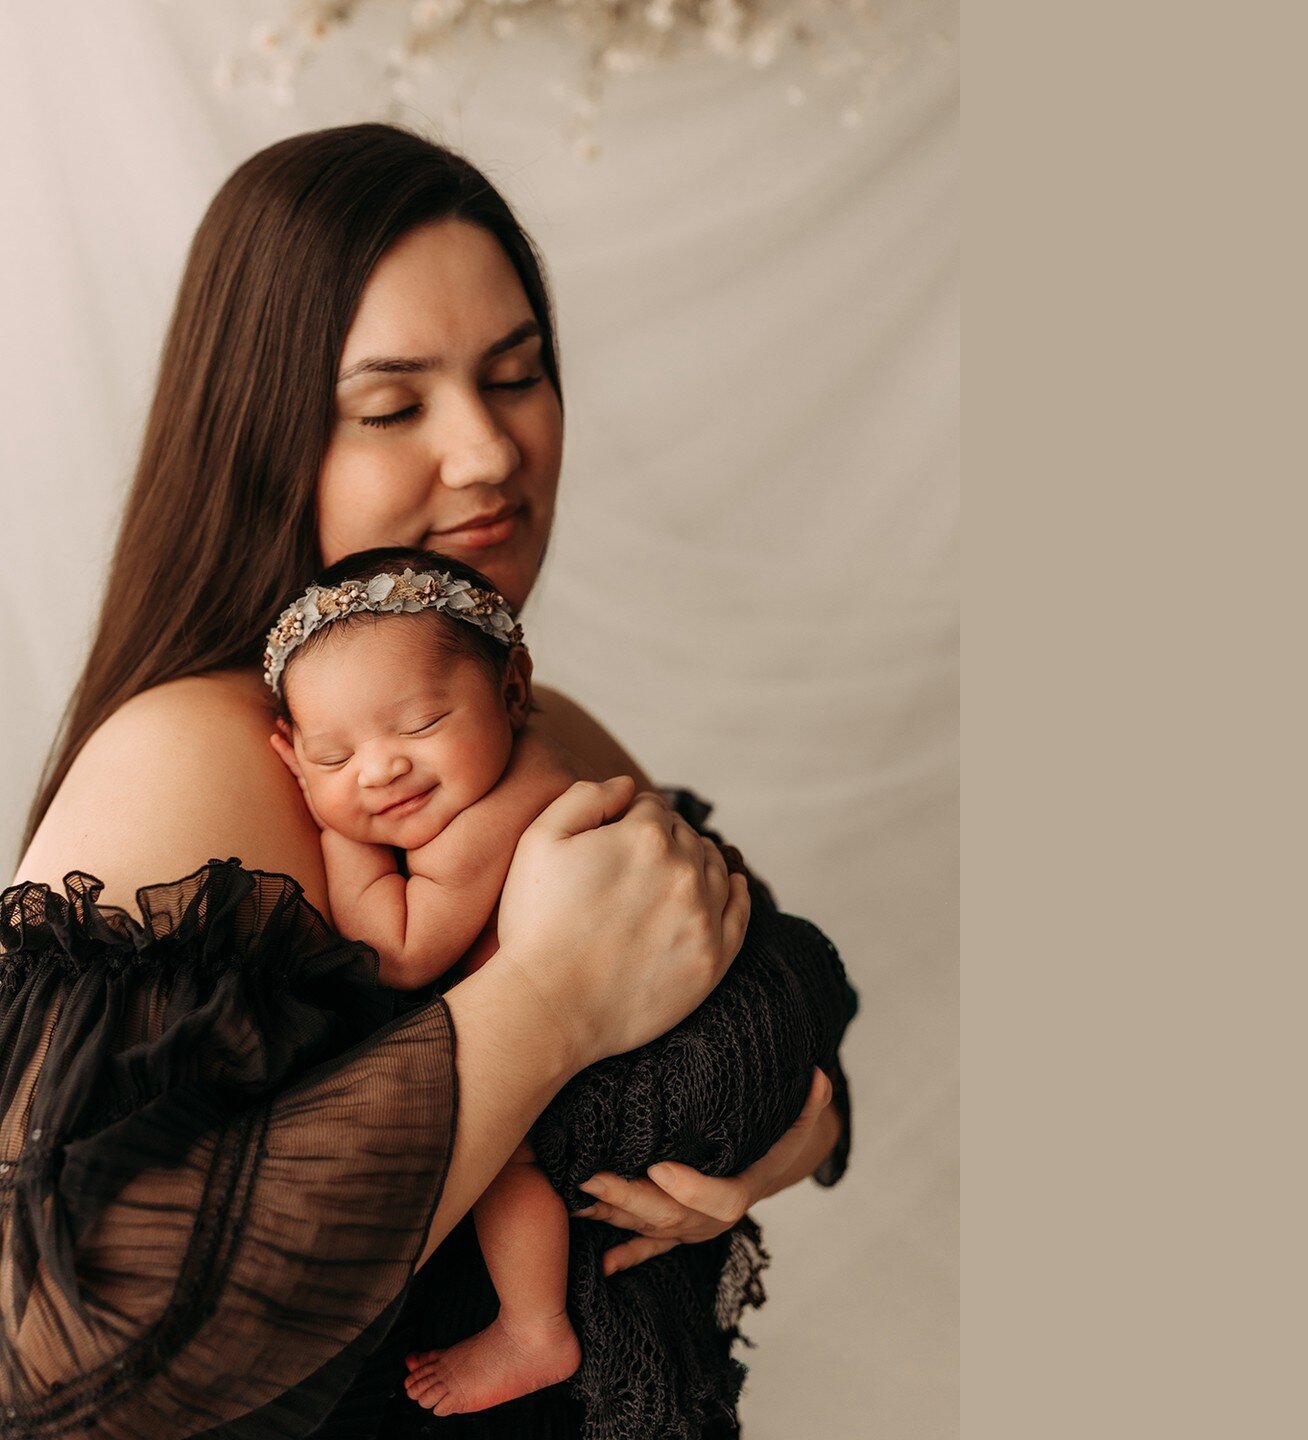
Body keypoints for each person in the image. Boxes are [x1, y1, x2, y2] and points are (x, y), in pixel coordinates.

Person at [5, 123, 852, 1439]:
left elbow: (756, 974)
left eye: (517, 378)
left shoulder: (546, 722)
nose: (487, 452)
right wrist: (551, 1000)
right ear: (266, 441)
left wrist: (781, 1135)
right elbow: (56, 1343)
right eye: (394, 406)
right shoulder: (197, 752)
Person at [262, 547, 854, 1426]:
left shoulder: (495, 814)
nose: (379, 769)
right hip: (740, 1017)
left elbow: (398, 951)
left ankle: (535, 1328)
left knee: (499, 1147)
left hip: (689, 1055)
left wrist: (330, 815)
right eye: (333, 751)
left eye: (421, 725)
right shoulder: (531, 756)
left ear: (511, 691)